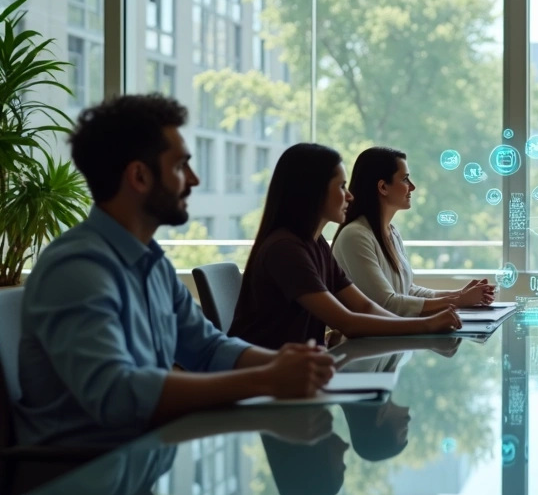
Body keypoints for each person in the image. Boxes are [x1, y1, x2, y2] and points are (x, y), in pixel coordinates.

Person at [15, 96, 335, 447]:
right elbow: (118, 394)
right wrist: (267, 379)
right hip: (84, 479)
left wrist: (287, 364)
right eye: (182, 166)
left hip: (144, 459)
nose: (194, 180)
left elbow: (208, 349)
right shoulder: (75, 270)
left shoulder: (152, 264)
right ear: (139, 175)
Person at [228, 143, 462, 350]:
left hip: (296, 374)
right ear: (313, 191)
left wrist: (424, 322)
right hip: (267, 382)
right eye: (341, 187)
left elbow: (365, 307)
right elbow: (347, 321)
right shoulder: (285, 250)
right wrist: (426, 324)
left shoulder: (316, 243)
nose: (350, 196)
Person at [332, 146, 496, 317]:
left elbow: (407, 291)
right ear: (383, 187)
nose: (412, 187)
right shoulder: (355, 236)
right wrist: (458, 301)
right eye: (405, 179)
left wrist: (459, 294)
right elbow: (386, 304)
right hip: (363, 342)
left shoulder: (391, 232)